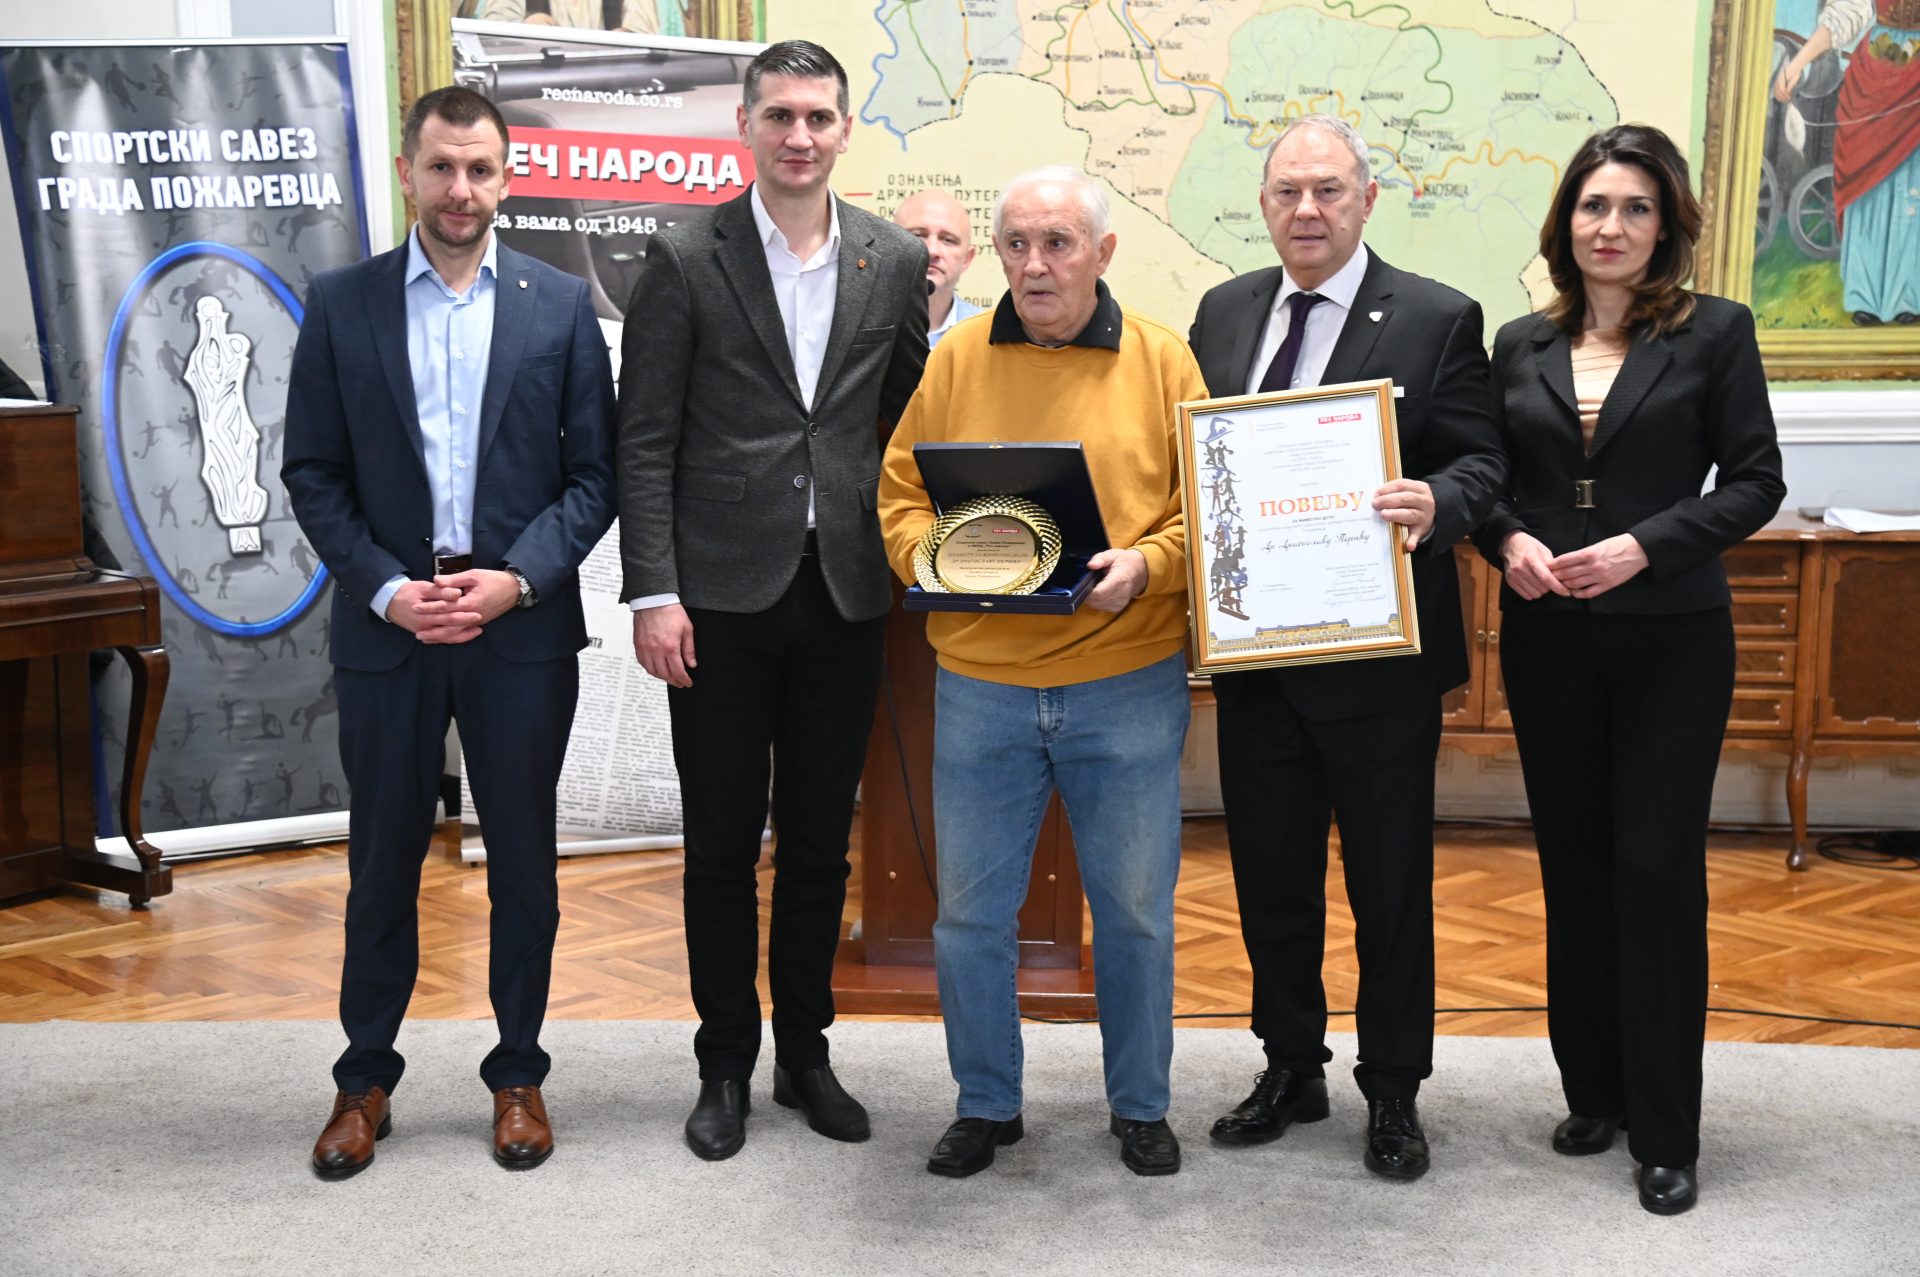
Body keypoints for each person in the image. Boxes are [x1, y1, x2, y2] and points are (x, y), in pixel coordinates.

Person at [283, 85, 615, 1178]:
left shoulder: (559, 306)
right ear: (408, 173)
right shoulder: (342, 303)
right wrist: (386, 588)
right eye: (441, 167)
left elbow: (594, 477)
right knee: (382, 860)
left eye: (479, 170)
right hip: (391, 630)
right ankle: (362, 1081)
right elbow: (313, 472)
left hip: (518, 629)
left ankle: (518, 1073)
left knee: (524, 861)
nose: (460, 189)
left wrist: (516, 580)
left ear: (506, 178)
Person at [615, 40, 928, 1161]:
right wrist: (653, 591)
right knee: (717, 845)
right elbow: (643, 439)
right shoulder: (683, 255)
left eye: (820, 116)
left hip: (845, 592)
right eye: (781, 114)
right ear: (744, 124)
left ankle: (805, 1053)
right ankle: (723, 1064)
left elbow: (914, 417)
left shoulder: (892, 258)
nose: (801, 135)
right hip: (716, 600)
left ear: (844, 129)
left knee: (819, 845)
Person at [1473, 124, 1785, 1216]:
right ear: (1566, 221)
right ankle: (1594, 1092)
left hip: (1671, 639)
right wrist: (1506, 539)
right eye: (1594, 205)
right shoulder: (1518, 341)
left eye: (1635, 208)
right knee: (1574, 865)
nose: (1611, 226)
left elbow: (1755, 481)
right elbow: (1487, 480)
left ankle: (1664, 1128)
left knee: (1653, 866)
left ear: (1666, 226)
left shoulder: (1716, 332)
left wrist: (1646, 544)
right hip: (1549, 637)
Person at [1186, 114, 1505, 1180]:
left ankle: (1394, 1087)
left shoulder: (1437, 317)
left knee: (1388, 888)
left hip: (1380, 668)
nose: (1307, 210)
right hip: (1261, 661)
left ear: (1368, 198)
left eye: (1328, 190)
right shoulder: (1225, 312)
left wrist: (1440, 499)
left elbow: (1482, 462)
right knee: (1271, 880)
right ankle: (1291, 1065)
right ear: (1264, 205)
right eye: (1287, 192)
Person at [879, 166, 1206, 1179]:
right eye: (1016, 244)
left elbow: (1206, 511)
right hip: (981, 685)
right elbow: (899, 496)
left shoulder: (1163, 358)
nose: (1035, 264)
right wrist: (937, 562)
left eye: (1058, 243)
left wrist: (1147, 566)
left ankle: (1141, 1106)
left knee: (1137, 912)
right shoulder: (956, 358)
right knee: (970, 915)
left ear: (1103, 252)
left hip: (1128, 679)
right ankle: (986, 1101)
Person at [1772, 0, 1920, 326]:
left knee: (1911, 188)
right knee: (1866, 188)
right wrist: (1797, 64)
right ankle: (1865, 296)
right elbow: (1844, 15)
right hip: (1874, 78)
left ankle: (1909, 295)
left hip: (1917, 87)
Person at [891, 189, 983, 345]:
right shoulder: (859, 324)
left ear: (967, 259)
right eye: (918, 235)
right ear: (890, 245)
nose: (932, 251)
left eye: (948, 240)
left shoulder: (986, 334)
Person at [474, 0, 661, 33]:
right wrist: (522, 27)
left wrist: (625, 36)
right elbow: (492, 33)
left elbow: (648, 40)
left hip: (610, 89)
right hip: (537, 84)